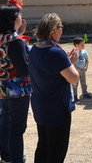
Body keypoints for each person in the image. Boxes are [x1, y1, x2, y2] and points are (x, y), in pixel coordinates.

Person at [29, 13, 79, 163]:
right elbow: (74, 78)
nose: (62, 30)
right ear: (54, 30)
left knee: (43, 146)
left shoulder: (35, 49)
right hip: (56, 107)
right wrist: (72, 63)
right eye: (61, 27)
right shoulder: (55, 52)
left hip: (41, 105)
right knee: (56, 151)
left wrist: (66, 62)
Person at [0, 5, 32, 163]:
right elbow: (24, 70)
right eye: (19, 14)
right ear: (13, 19)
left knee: (6, 125)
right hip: (18, 91)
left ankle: (6, 156)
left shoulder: (3, 38)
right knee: (17, 130)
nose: (21, 17)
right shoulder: (15, 41)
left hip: (3, 89)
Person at [72, 37, 92, 101]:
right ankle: (74, 96)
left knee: (83, 82)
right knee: (75, 84)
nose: (83, 46)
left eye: (84, 44)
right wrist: (77, 69)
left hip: (83, 70)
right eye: (82, 45)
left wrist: (86, 67)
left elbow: (87, 60)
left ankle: (85, 93)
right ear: (76, 45)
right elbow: (72, 63)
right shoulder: (74, 52)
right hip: (76, 71)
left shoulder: (84, 52)